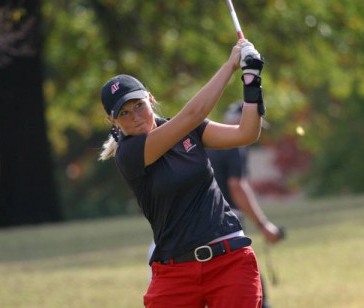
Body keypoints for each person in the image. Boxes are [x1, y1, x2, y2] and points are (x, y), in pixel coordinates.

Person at [99, 39, 266, 307]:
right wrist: (230, 65)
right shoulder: (128, 154)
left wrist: (251, 81)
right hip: (175, 272)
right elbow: (192, 115)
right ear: (113, 122)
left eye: (138, 105)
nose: (135, 117)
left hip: (230, 260)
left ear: (150, 99)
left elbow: (246, 133)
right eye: (124, 113)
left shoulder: (189, 130)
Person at [206, 103, 283, 308]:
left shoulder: (209, 142)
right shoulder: (233, 144)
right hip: (226, 226)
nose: (255, 132)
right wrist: (263, 225)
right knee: (252, 290)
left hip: (199, 228)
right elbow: (237, 187)